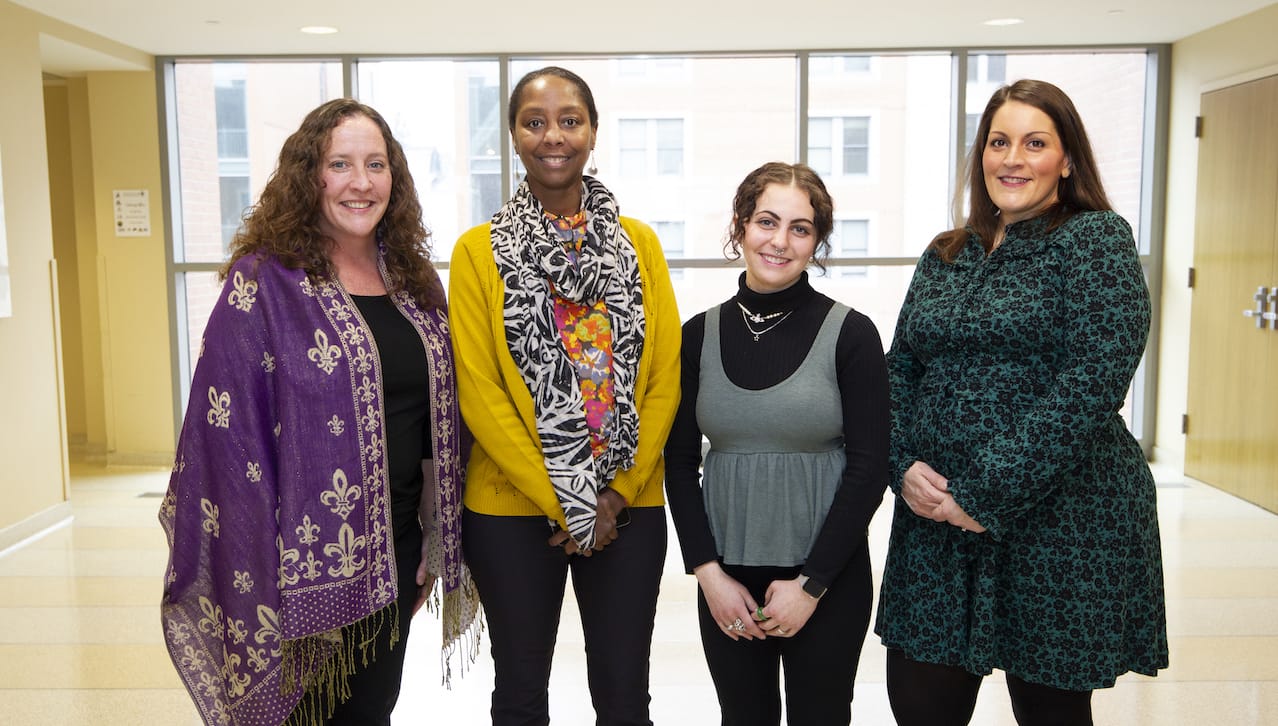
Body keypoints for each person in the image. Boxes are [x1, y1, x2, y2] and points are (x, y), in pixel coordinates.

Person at [159, 98, 481, 726]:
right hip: (293, 573)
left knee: (371, 713)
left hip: (397, 557)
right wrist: (262, 567)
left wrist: (433, 536)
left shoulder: (416, 283)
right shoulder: (262, 284)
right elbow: (223, 438)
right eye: (340, 164)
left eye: (376, 164)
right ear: (311, 176)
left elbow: (434, 417)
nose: (361, 183)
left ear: (396, 178)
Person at [875, 79, 1169, 726]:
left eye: (1035, 143)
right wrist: (900, 466)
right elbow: (900, 369)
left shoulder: (1095, 242)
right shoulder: (947, 252)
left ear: (1066, 159)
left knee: (1050, 710)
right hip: (934, 523)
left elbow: (1093, 382)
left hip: (1059, 516)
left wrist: (985, 494)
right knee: (921, 700)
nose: (1013, 158)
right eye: (999, 141)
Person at [448, 66, 681, 726]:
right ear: (516, 136)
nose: (554, 135)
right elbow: (481, 393)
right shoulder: (476, 252)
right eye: (535, 121)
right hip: (511, 507)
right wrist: (573, 503)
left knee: (624, 692)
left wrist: (614, 495)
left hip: (628, 501)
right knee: (520, 690)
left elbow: (664, 379)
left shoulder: (641, 245)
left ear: (593, 132)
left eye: (570, 119)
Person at [664, 161, 890, 725]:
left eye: (801, 228)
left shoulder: (852, 333)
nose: (780, 241)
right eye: (767, 221)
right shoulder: (698, 335)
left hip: (826, 578)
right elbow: (678, 461)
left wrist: (810, 585)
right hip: (729, 580)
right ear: (740, 225)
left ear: (816, 242)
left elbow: (870, 467)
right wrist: (709, 575)